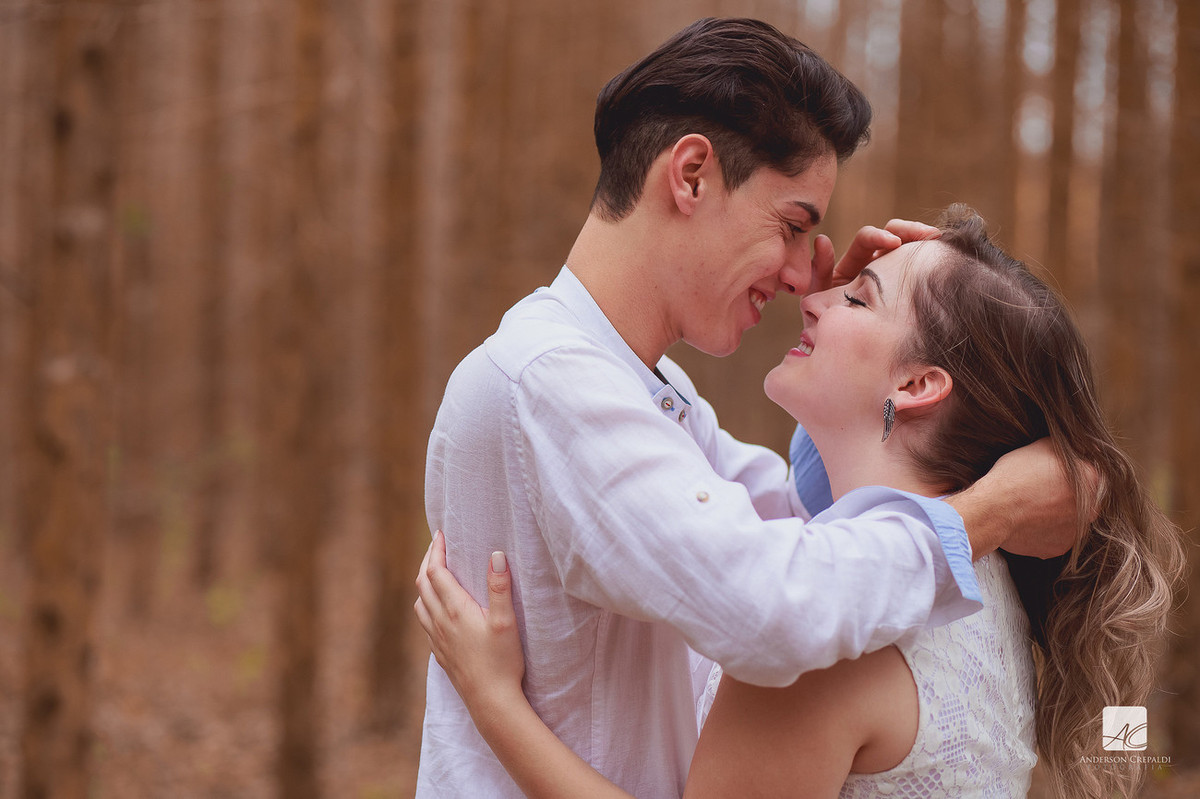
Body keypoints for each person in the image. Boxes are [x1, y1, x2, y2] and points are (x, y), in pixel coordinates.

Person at [417, 18, 1083, 797]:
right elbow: (770, 604)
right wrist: (990, 510)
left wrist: (854, 365)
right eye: (793, 225)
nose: (805, 275)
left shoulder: (642, 383)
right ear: (692, 175)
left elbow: (792, 528)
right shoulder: (553, 382)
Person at [416, 205, 1186, 799]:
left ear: (917, 385)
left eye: (856, 297)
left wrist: (493, 703)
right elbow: (824, 501)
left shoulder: (827, 637)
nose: (812, 298)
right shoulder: (982, 589)